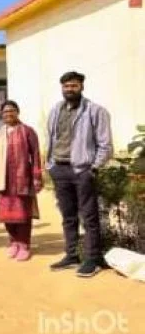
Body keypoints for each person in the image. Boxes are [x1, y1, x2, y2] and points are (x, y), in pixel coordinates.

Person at [46, 71, 113, 277]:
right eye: (66, 86)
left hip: (82, 170)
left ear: (82, 87)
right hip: (60, 169)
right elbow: (51, 138)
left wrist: (93, 168)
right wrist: (50, 165)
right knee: (68, 216)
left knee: (89, 216)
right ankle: (72, 255)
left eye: (74, 85)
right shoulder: (56, 110)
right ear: (62, 88)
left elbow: (105, 144)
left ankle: (93, 259)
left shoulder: (95, 111)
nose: (70, 89)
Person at [0, 100, 43, 262]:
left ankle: (24, 244)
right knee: (6, 213)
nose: (8, 114)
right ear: (1, 114)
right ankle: (13, 241)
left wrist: (37, 176)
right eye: (5, 111)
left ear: (17, 112)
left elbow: (36, 155)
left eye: (11, 110)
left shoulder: (27, 131)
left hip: (22, 179)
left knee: (23, 213)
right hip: (2, 179)